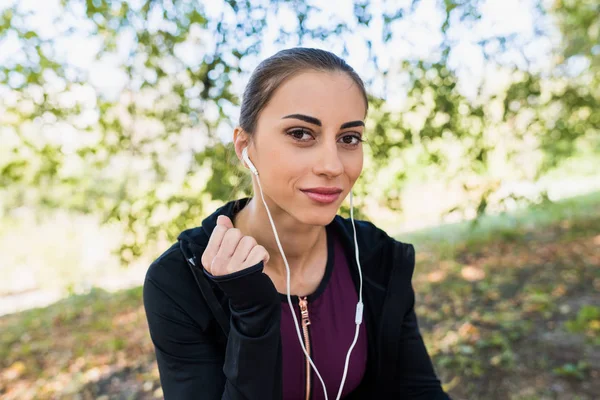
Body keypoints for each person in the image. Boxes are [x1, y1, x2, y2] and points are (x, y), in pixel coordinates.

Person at [143, 47, 450, 400]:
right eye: (301, 134)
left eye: (348, 138)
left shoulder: (376, 258)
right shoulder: (179, 281)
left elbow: (418, 390)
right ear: (246, 147)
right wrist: (252, 313)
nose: (332, 166)